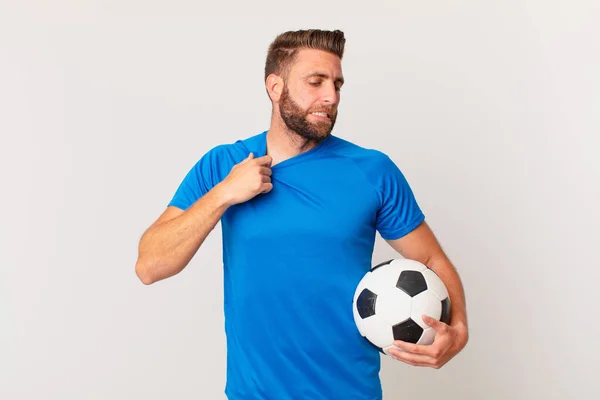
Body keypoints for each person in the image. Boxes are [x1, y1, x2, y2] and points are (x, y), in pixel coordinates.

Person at [135, 29, 469, 400]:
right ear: (275, 86)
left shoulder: (372, 171)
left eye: (338, 84)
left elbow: (429, 258)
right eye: (316, 82)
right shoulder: (224, 165)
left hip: (348, 391)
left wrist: (459, 329)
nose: (331, 96)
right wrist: (224, 194)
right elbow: (150, 265)